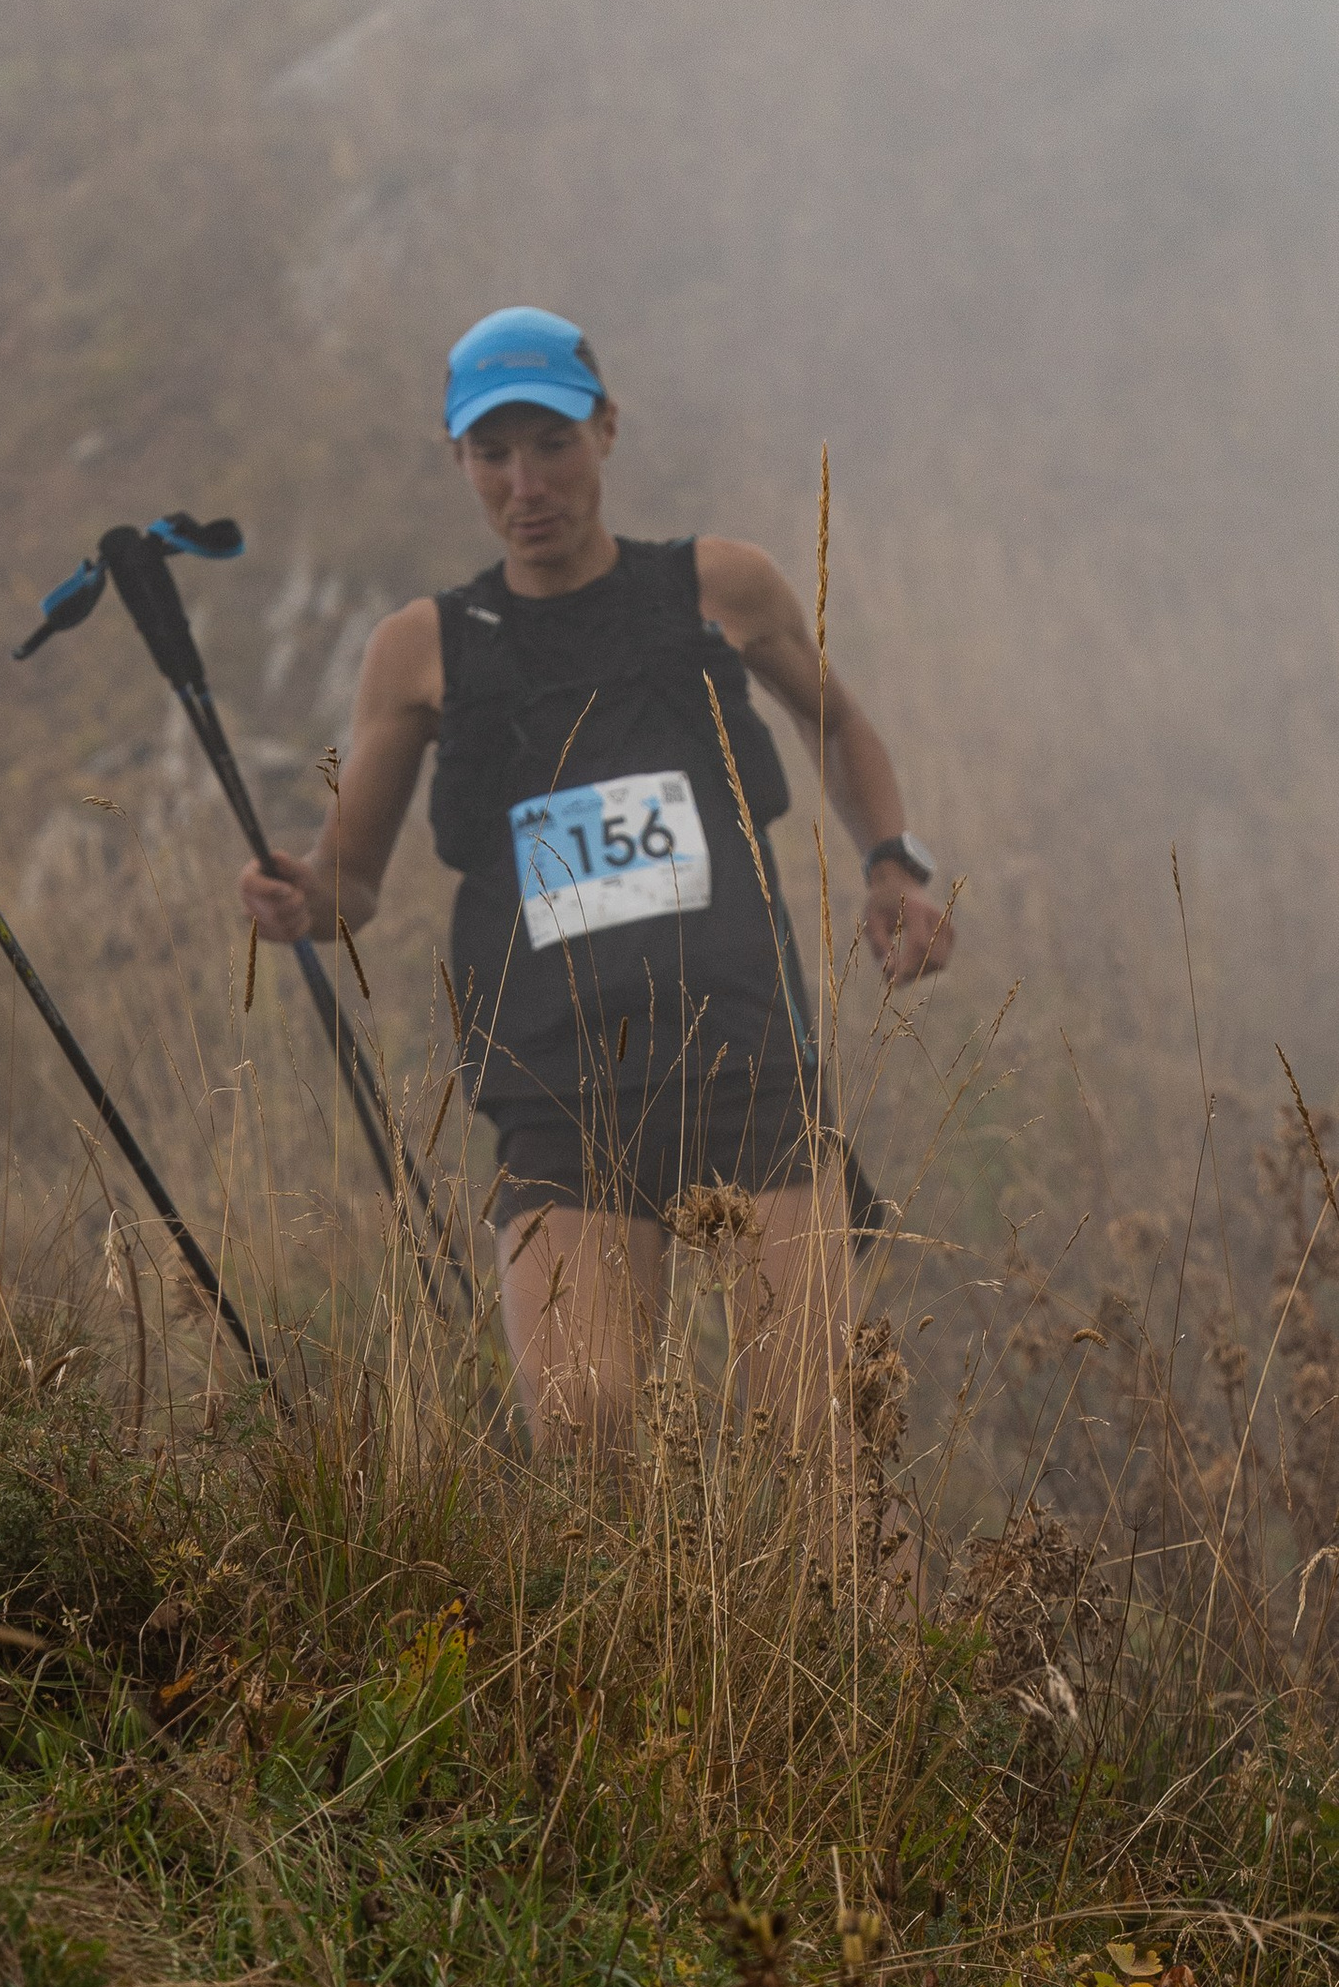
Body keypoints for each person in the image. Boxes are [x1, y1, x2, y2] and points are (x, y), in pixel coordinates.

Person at [238, 307, 952, 1454]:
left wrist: (891, 863)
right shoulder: (422, 647)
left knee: (818, 1433)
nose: (526, 481)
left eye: (552, 443)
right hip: (553, 1079)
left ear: (606, 429)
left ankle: (871, 1640)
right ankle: (636, 1641)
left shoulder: (718, 585)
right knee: (584, 1425)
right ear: (458, 458)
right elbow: (348, 890)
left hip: (742, 1049)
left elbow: (839, 724)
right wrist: (294, 899)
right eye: (493, 452)